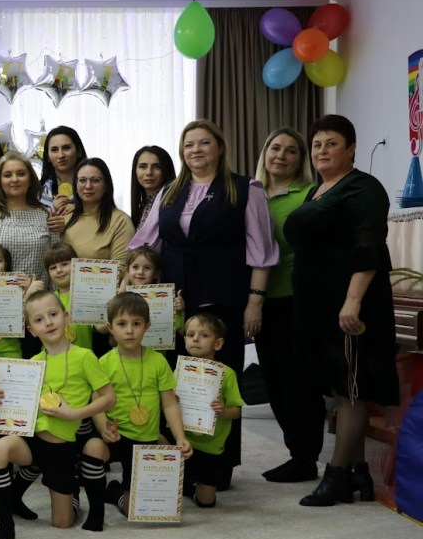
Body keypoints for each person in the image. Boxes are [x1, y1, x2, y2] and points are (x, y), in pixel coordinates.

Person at [130, 119, 278, 488]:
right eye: (188, 144)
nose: (195, 150)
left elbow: (261, 251)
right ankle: (180, 464)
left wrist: (255, 301)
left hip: (223, 299)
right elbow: (146, 245)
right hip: (175, 304)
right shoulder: (169, 191)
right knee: (175, 384)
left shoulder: (245, 189)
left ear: (220, 147)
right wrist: (128, 286)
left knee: (217, 385)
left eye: (204, 143)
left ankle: (217, 469)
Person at [284, 115, 398, 507]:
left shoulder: (363, 188)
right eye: (316, 144)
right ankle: (358, 471)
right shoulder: (318, 190)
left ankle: (335, 476)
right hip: (318, 304)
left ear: (351, 148)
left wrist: (352, 302)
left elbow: (370, 248)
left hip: (348, 304)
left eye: (331, 143)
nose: (321, 151)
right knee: (340, 386)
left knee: (351, 389)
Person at [0, 289, 115, 539]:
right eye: (39, 319)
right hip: (32, 441)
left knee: (63, 522)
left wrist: (75, 413)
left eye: (53, 314)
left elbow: (109, 398)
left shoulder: (84, 356)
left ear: (66, 316)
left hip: (61, 447)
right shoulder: (32, 363)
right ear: (31, 330)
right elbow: (17, 406)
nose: (48, 322)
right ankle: (6, 527)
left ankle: (73, 496)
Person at [252, 129, 320, 483]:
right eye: (275, 148)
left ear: (300, 160)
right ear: (265, 154)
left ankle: (305, 457)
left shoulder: (310, 194)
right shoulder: (252, 194)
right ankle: (296, 450)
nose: (281, 155)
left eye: (291, 150)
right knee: (274, 381)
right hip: (260, 300)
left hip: (297, 299)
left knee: (298, 381)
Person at [97, 293, 191, 517]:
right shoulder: (104, 362)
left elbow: (169, 404)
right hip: (116, 436)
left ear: (147, 326)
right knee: (92, 451)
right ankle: (110, 489)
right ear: (110, 328)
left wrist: (180, 437)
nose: (129, 330)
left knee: (135, 509)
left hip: (145, 439)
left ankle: (116, 491)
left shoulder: (158, 361)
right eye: (122, 324)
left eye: (136, 323)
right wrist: (102, 427)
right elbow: (97, 402)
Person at [180, 313, 244, 508]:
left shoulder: (227, 374)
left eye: (204, 335)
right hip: (183, 442)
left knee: (207, 502)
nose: (195, 339)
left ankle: (192, 490)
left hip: (211, 446)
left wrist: (223, 411)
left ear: (218, 344)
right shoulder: (179, 370)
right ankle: (184, 484)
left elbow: (236, 411)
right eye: (190, 334)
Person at [0, 151, 55, 287]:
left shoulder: (46, 214)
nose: (14, 179)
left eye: (21, 174)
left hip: (37, 297)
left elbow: (55, 261)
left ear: (30, 178)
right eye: (7, 175)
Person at [63, 157, 136, 274]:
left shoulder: (120, 220)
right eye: (82, 180)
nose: (88, 186)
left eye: (95, 180)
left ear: (106, 186)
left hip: (103, 286)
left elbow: (121, 269)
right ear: (75, 185)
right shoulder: (64, 217)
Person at [39, 126, 87, 234]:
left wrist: (81, 209)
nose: (61, 155)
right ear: (47, 157)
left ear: (79, 151)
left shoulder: (92, 188)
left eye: (66, 148)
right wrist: (52, 210)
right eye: (54, 150)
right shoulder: (37, 192)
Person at [129, 146, 176, 228]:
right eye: (143, 166)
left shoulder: (174, 204)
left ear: (166, 170)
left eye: (157, 167)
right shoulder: (142, 207)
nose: (149, 172)